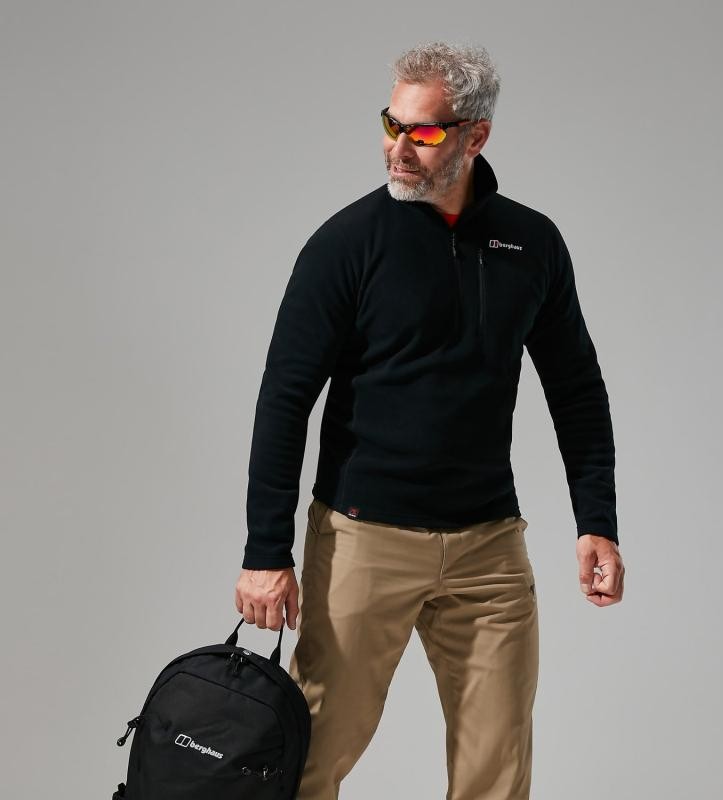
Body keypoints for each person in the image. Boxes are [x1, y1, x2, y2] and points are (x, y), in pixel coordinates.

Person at [235, 40, 625, 799]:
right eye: (392, 123)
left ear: (476, 136)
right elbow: (284, 397)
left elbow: (576, 386)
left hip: (489, 549)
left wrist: (597, 520)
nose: (398, 146)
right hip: (364, 540)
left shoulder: (531, 244)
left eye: (423, 131)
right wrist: (264, 551)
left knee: (497, 773)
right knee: (307, 762)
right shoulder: (347, 244)